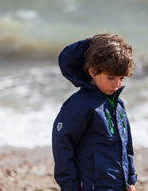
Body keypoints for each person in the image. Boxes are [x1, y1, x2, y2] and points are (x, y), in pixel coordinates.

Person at [52, 33, 137, 191]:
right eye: (111, 78)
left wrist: (130, 180)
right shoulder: (80, 104)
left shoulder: (118, 105)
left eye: (121, 78)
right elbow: (62, 145)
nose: (117, 84)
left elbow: (126, 146)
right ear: (93, 72)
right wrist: (69, 185)